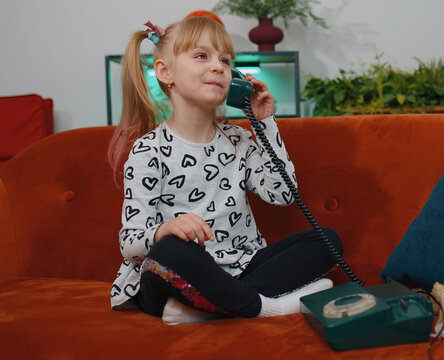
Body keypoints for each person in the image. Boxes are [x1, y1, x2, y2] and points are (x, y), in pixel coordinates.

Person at [107, 16, 342, 325]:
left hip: (240, 267)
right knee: (172, 251)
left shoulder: (238, 139)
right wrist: (165, 230)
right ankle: (268, 307)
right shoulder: (147, 151)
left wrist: (264, 122)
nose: (218, 66)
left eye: (226, 60)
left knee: (328, 240)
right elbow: (130, 243)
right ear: (165, 72)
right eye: (202, 56)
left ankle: (207, 309)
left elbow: (283, 193)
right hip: (177, 274)